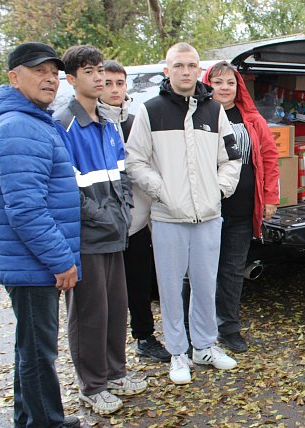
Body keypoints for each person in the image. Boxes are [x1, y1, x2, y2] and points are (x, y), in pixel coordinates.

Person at [0, 42, 82, 428]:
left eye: (53, 73)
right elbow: (25, 209)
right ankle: (46, 422)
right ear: (13, 77)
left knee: (30, 347)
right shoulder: (19, 127)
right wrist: (60, 260)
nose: (49, 79)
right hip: (32, 261)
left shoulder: (30, 120)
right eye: (38, 71)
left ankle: (29, 417)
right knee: (39, 352)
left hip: (28, 260)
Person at [126, 42, 242, 384]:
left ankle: (204, 346)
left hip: (208, 216)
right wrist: (163, 192)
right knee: (171, 289)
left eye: (192, 65)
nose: (186, 71)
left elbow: (231, 158)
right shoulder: (151, 111)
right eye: (179, 65)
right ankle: (178, 352)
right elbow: (135, 160)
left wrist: (218, 190)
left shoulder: (214, 112)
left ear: (198, 69)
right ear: (168, 70)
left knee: (206, 284)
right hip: (167, 218)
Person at [55, 45, 147, 415]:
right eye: (89, 71)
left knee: (114, 309)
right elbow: (66, 190)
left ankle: (115, 373)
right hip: (87, 239)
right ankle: (92, 386)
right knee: (89, 314)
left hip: (114, 234)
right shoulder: (64, 125)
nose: (97, 77)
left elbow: (122, 177)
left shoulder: (109, 125)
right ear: (71, 78)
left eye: (99, 70)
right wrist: (106, 218)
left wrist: (124, 212)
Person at [202, 61, 280, 353]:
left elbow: (270, 159)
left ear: (238, 87)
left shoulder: (252, 119)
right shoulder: (199, 115)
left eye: (230, 83)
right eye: (218, 82)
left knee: (233, 271)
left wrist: (270, 197)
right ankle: (197, 328)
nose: (224, 88)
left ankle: (229, 328)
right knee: (201, 271)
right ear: (208, 84)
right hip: (208, 210)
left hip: (243, 209)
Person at [98, 60, 170, 362]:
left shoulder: (135, 122)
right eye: (108, 83)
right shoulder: (92, 123)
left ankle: (144, 336)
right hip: (102, 226)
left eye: (120, 83)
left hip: (137, 222)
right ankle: (106, 353)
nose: (114, 89)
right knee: (106, 296)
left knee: (140, 285)